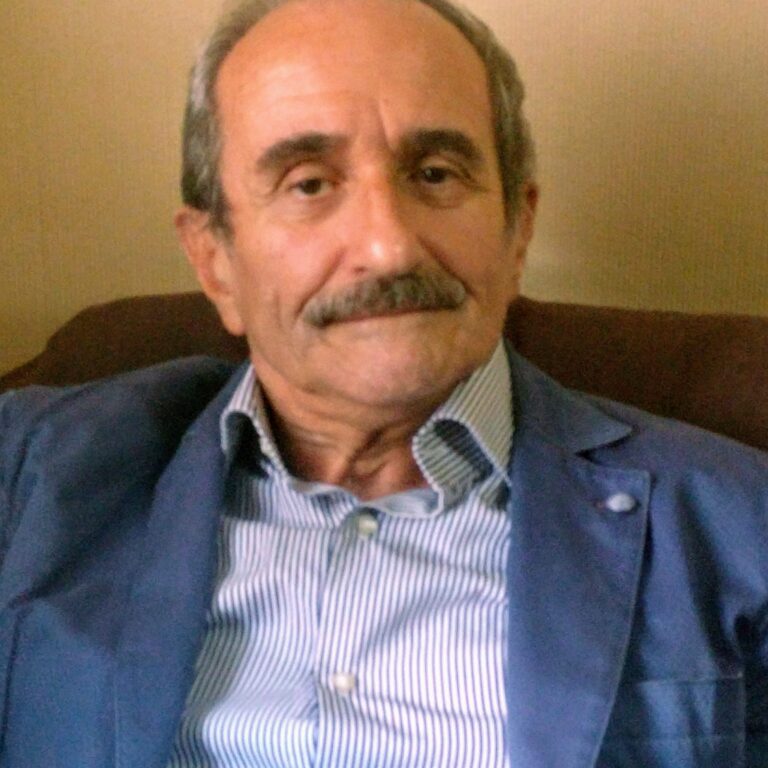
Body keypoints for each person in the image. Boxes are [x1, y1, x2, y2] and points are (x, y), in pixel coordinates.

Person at [0, 0, 766, 765]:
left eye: (435, 174)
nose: (389, 246)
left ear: (518, 230)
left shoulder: (737, 530)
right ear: (215, 261)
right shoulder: (29, 478)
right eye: (309, 184)